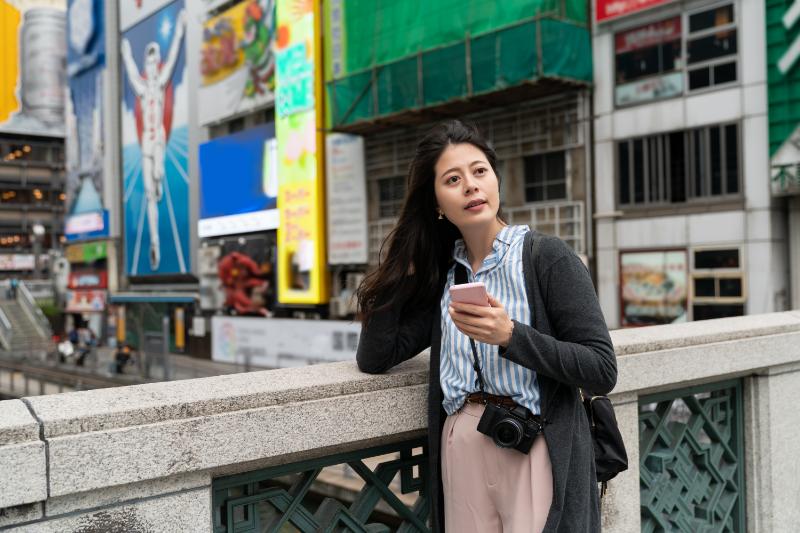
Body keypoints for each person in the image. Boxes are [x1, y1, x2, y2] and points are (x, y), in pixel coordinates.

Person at [355, 120, 617, 532]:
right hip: (461, 447)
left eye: (480, 172)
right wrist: (400, 270)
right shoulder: (447, 275)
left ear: (496, 181)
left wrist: (512, 335)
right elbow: (375, 357)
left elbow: (602, 367)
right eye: (453, 179)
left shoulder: (546, 258)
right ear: (437, 203)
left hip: (534, 444)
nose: (471, 186)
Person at [121, 9, 187, 270]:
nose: (150, 67)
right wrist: (126, 54)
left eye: (153, 62)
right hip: (146, 145)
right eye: (147, 63)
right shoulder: (140, 87)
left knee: (158, 177)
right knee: (150, 195)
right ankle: (155, 243)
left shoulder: (159, 85)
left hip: (158, 139)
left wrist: (180, 29)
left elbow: (172, 57)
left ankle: (158, 180)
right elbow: (128, 71)